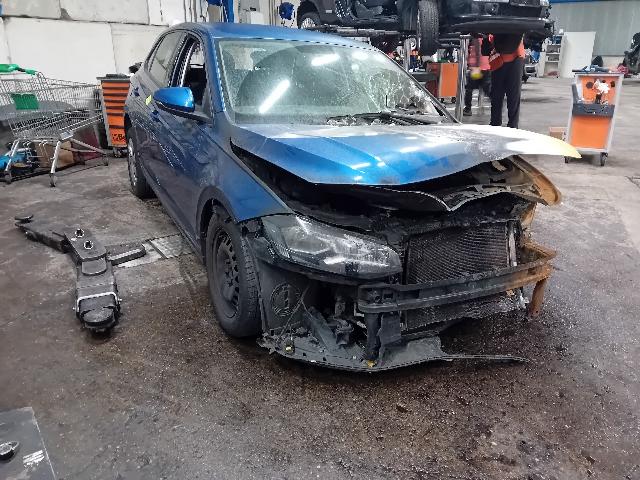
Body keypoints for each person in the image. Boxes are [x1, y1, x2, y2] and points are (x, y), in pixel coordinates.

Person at [482, 33, 525, 128]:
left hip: (512, 57)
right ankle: (500, 124)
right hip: (502, 58)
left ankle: (510, 126)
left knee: (507, 96)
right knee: (501, 96)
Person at [463, 36, 491, 116]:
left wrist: (476, 65)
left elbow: (477, 51)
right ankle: (497, 104)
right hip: (486, 66)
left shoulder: (476, 37)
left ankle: (468, 109)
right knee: (486, 88)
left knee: (469, 88)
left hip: (477, 67)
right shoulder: (488, 37)